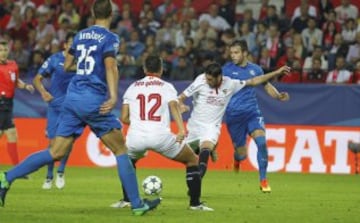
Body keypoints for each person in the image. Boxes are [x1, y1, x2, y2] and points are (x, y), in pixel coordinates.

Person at [0, 0, 160, 216]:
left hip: (72, 99)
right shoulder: (111, 38)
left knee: (55, 151)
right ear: (111, 15)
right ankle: (137, 205)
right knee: (121, 150)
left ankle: (6, 178)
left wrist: (88, 66)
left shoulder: (80, 35)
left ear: (93, 14)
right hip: (92, 100)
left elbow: (67, 65)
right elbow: (111, 66)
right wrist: (113, 96)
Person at [111, 55, 213, 211]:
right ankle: (195, 204)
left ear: (144, 69)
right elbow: (173, 107)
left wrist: (141, 122)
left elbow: (124, 118)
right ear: (161, 68)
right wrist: (180, 129)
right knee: (192, 160)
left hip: (136, 137)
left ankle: (127, 200)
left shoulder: (132, 87)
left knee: (128, 162)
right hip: (161, 137)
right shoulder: (166, 87)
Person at [177, 59, 290, 185]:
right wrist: (182, 106)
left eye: (210, 80)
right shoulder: (200, 80)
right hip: (195, 125)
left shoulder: (230, 84)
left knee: (204, 153)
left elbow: (253, 81)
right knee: (188, 155)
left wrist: (276, 73)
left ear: (219, 77)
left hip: (212, 127)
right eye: (207, 79)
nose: (207, 81)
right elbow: (181, 97)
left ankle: (195, 189)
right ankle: (209, 148)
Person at [222, 40, 290, 193]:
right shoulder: (226, 70)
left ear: (245, 53)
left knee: (261, 143)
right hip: (234, 116)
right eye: (231, 53)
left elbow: (266, 85)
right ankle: (237, 158)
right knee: (241, 154)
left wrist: (278, 96)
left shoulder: (256, 69)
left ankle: (263, 180)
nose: (233, 56)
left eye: (236, 52)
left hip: (252, 113)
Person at [32, 32, 76, 190]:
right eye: (70, 43)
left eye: (75, 44)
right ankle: (49, 175)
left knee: (67, 143)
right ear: (65, 45)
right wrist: (43, 92)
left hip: (72, 109)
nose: (72, 46)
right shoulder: (55, 59)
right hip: (55, 107)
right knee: (52, 143)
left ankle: (61, 172)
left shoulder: (81, 62)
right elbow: (37, 79)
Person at [0, 38, 34, 167]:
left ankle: (17, 169)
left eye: (5, 49)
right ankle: (18, 169)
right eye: (0, 50)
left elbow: (16, 82)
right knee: (11, 134)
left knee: (11, 134)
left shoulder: (13, 65)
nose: (3, 53)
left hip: (9, 103)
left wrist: (25, 86)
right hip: (1, 103)